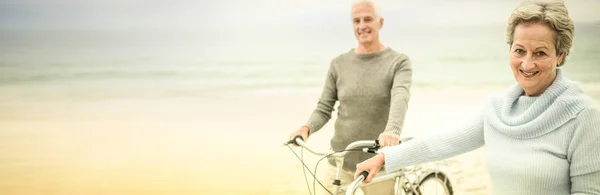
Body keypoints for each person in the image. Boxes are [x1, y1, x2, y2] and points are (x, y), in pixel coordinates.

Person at [354, 0, 600, 194]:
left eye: (541, 53)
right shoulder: (498, 109)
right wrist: (386, 157)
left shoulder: (582, 116)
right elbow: (444, 141)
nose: (527, 63)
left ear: (560, 55)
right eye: (519, 50)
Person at [289, 0, 412, 194]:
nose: (362, 25)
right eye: (356, 21)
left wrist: (393, 131)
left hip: (378, 162)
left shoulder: (398, 62)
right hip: (340, 160)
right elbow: (324, 107)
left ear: (380, 23)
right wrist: (306, 128)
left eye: (368, 19)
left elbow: (400, 97)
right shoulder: (338, 64)